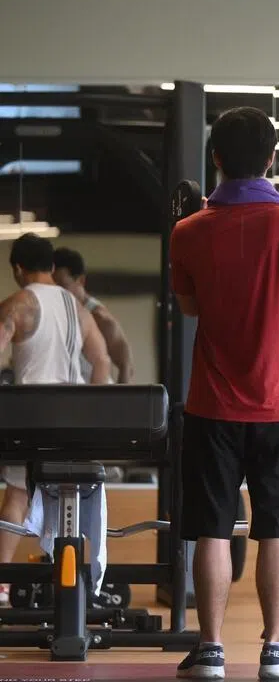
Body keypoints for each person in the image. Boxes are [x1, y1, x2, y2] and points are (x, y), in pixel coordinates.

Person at [169, 107, 279, 681]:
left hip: (210, 406)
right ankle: (275, 650)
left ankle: (210, 650)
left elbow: (191, 307)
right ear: (272, 159)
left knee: (212, 530)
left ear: (215, 157)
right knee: (277, 530)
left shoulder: (188, 232)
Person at [0, 234, 111, 606]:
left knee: (17, 495)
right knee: (69, 495)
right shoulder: (75, 306)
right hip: (74, 418)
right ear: (50, 265)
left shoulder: (18, 304)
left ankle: (1, 584)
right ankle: (77, 587)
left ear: (18, 268)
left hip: (33, 416)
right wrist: (94, 412)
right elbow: (101, 361)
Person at [51, 247, 135, 384]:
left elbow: (126, 366)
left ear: (81, 281)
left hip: (96, 393)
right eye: (53, 287)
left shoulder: (100, 318)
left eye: (63, 286)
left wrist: (119, 398)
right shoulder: (57, 310)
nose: (58, 293)